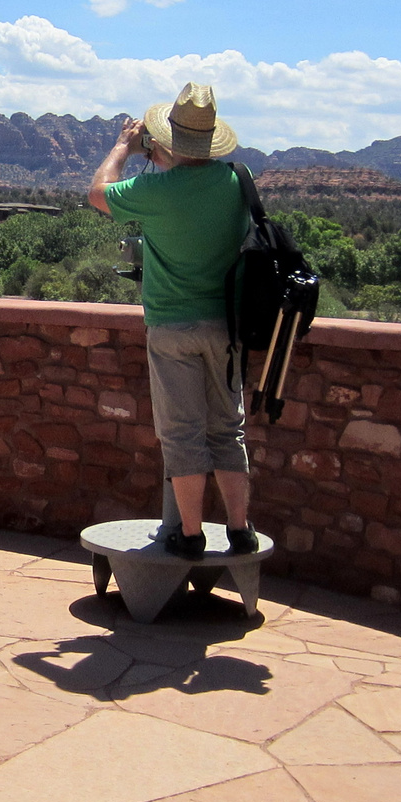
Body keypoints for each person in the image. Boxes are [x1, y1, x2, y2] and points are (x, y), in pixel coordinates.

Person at [88, 82, 255, 559]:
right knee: (228, 429)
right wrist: (166, 155)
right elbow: (196, 188)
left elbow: (98, 194)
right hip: (226, 325)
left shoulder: (155, 189)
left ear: (169, 139)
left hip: (172, 328)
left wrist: (125, 146)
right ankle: (239, 530)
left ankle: (190, 533)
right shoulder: (236, 181)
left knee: (182, 433)